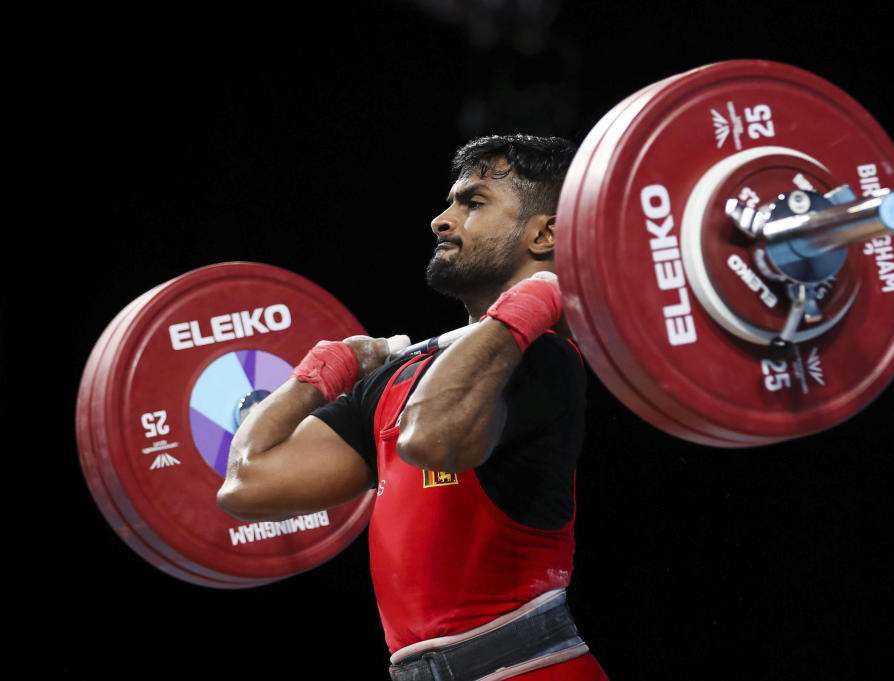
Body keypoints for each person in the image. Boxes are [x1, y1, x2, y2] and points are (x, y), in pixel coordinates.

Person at [217, 134, 610, 680]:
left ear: (543, 233)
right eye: (450, 202)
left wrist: (532, 305)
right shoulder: (398, 378)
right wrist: (323, 370)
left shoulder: (542, 361)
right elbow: (246, 483)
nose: (441, 221)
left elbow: (432, 439)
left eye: (473, 203)